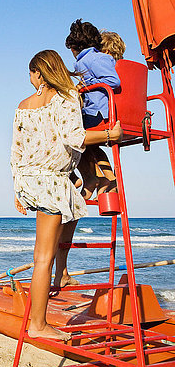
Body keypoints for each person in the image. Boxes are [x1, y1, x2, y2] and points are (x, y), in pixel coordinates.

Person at [11, 49, 123, 341]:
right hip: (51, 182)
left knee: (69, 212)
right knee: (42, 258)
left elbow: (16, 151)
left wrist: (17, 189)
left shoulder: (23, 105)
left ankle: (61, 273)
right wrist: (111, 135)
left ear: (39, 73)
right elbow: (76, 137)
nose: (29, 77)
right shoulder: (67, 97)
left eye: (30, 72)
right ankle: (38, 324)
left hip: (32, 180)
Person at [65, 19, 121, 200]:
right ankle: (108, 179)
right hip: (94, 111)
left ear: (74, 47)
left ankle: (85, 178)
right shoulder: (90, 59)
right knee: (90, 145)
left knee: (71, 135)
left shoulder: (93, 58)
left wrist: (87, 85)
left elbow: (113, 80)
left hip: (99, 113)